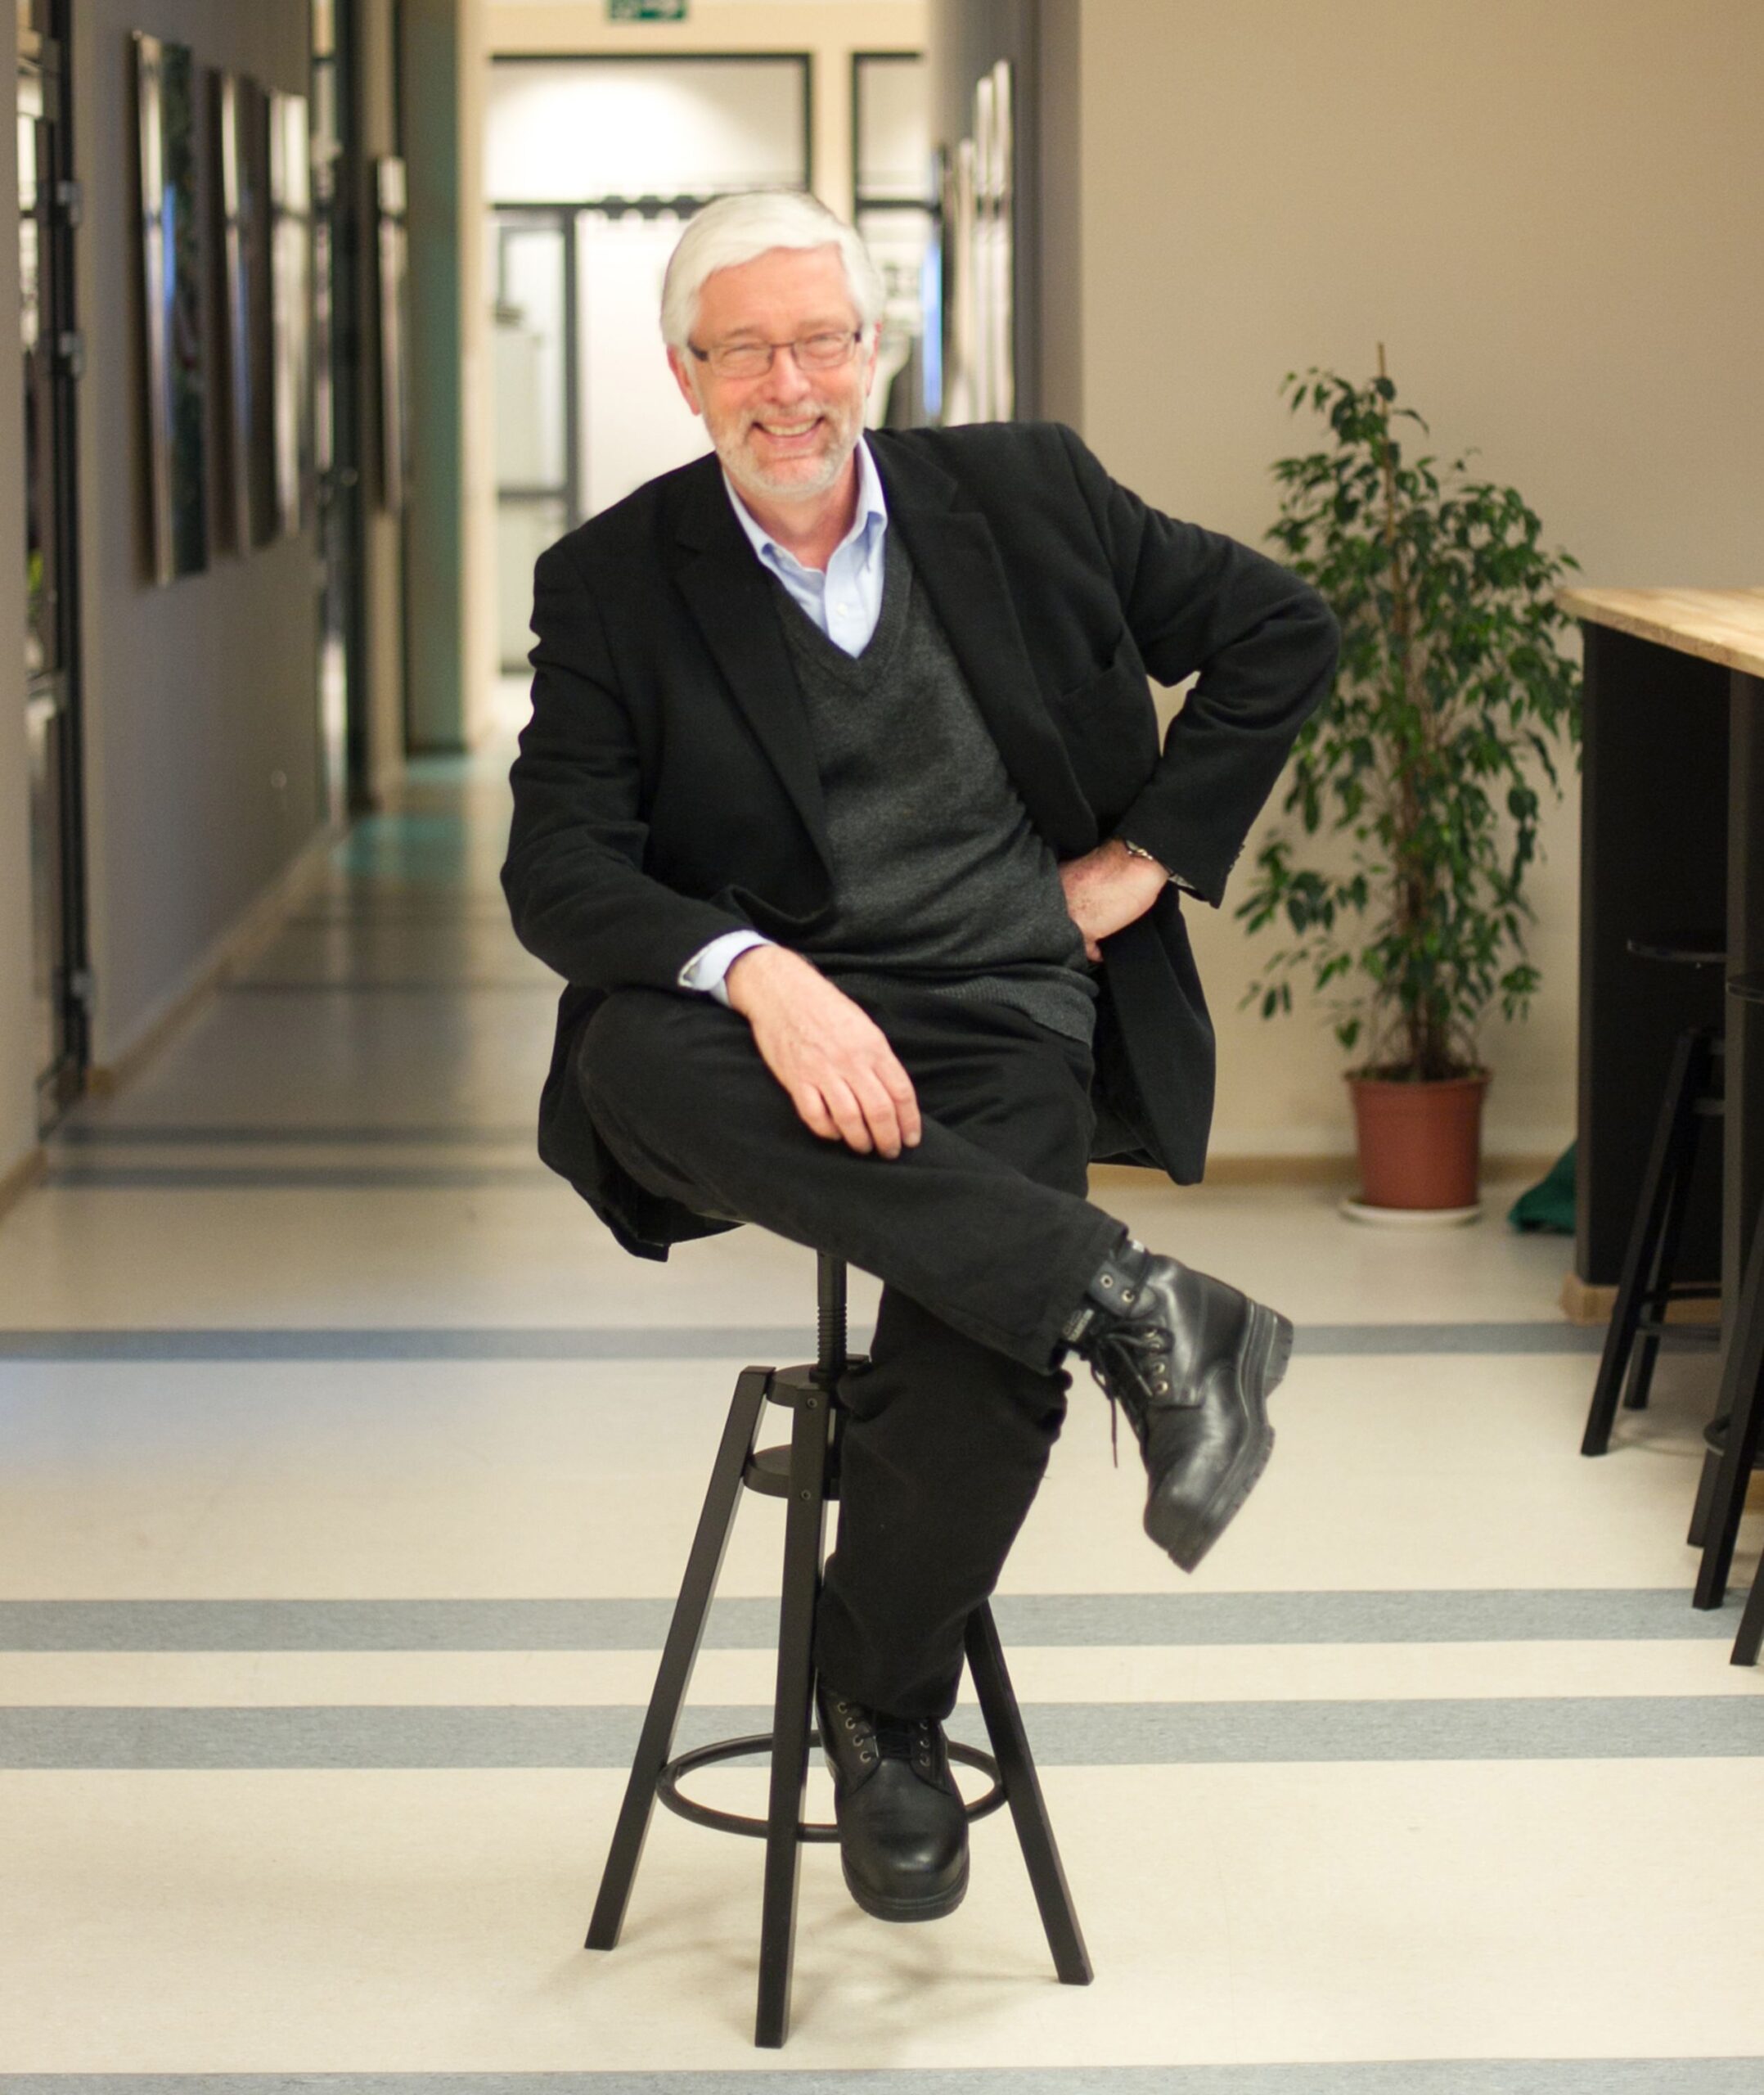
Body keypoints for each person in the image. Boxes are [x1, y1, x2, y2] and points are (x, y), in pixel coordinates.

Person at [502, 191, 1339, 1928]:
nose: (790, 386)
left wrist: (1140, 858)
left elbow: (1282, 628)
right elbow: (557, 867)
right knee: (629, 1060)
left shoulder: (1029, 493)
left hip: (1001, 1000)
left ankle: (882, 1707)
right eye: (745, 350)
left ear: (870, 349)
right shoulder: (609, 580)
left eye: (822, 341)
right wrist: (761, 980)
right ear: (686, 374)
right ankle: (1132, 1298)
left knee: (981, 1333)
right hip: (754, 1023)